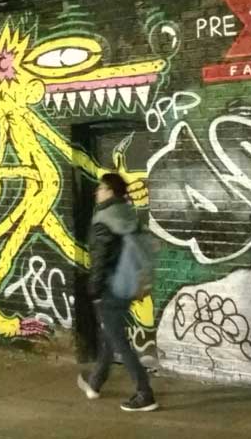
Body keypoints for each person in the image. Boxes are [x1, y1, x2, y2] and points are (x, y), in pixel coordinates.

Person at [76, 172, 157, 412]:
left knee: (118, 340)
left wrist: (94, 288)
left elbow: (100, 258)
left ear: (110, 191)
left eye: (101, 188)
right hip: (127, 284)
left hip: (110, 287)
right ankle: (95, 383)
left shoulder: (103, 219)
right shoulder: (128, 213)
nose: (97, 192)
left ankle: (145, 393)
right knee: (110, 335)